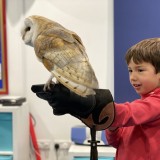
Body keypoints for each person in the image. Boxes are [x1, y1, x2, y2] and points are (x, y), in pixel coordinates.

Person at [31, 37, 160, 160]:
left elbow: (128, 113)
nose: (133, 77)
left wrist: (86, 100)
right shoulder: (144, 103)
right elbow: (117, 141)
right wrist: (111, 124)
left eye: (140, 70)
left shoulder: (156, 103)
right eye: (130, 70)